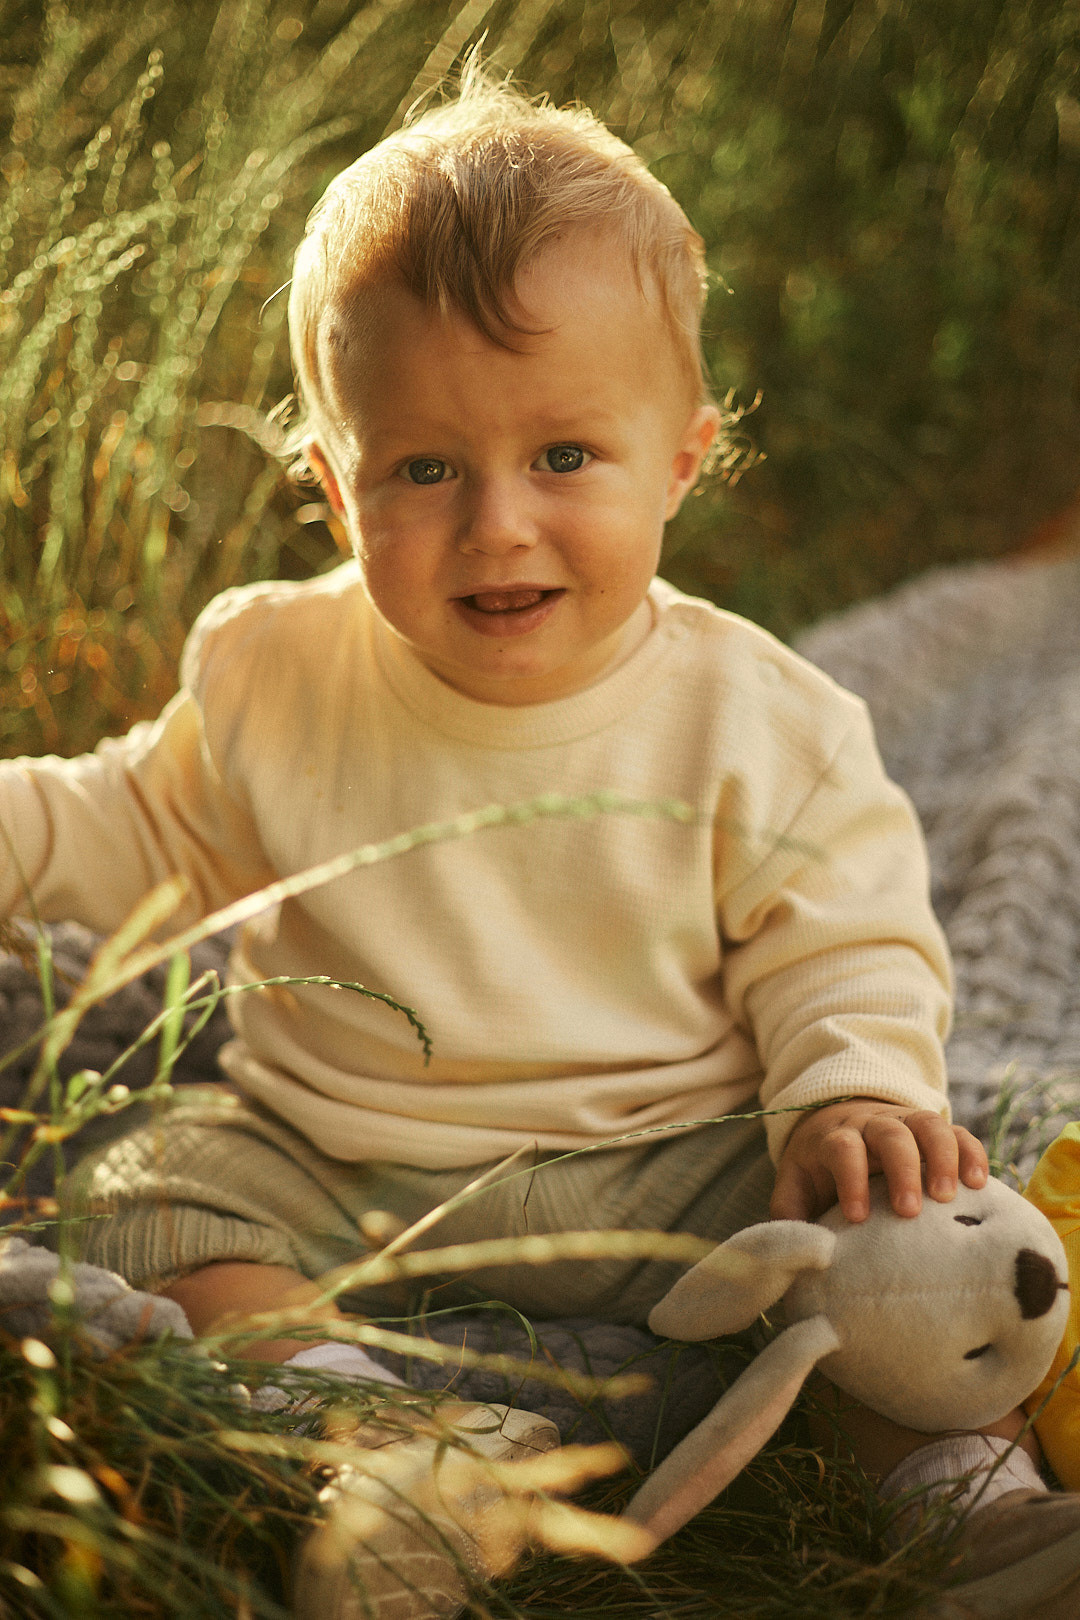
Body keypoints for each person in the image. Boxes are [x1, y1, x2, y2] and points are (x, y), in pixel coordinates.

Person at [1, 66, 1075, 1620]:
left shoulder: (759, 718)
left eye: (564, 458)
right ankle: (387, 1443)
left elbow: (843, 933)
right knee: (159, 1186)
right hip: (342, 1166)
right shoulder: (276, 675)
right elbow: (128, 820)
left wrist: (854, 1085)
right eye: (424, 469)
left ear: (682, 461)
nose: (497, 522)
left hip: (660, 1163)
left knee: (902, 1244)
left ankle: (965, 1514)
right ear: (332, 484)